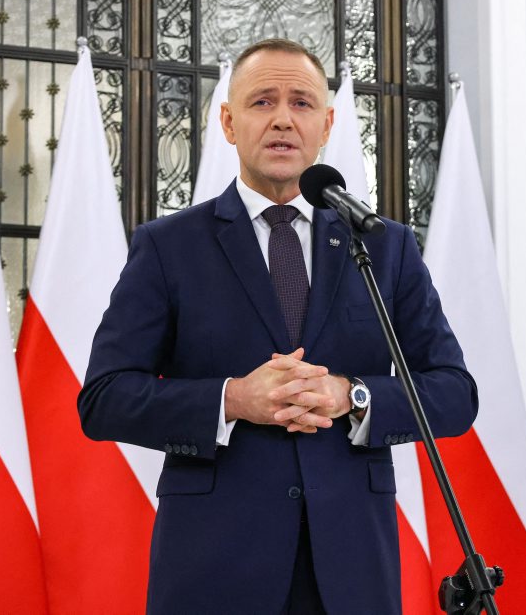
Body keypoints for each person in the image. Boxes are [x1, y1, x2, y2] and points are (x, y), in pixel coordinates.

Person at [78, 38, 478, 615]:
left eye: (302, 103)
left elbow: (454, 393)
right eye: (263, 101)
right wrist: (233, 399)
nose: (284, 119)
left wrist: (352, 395)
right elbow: (104, 398)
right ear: (229, 122)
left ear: (326, 125)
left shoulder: (383, 246)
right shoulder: (169, 246)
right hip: (213, 566)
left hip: (351, 568)